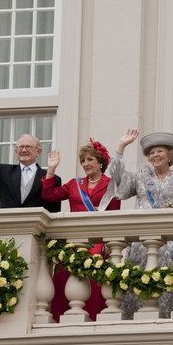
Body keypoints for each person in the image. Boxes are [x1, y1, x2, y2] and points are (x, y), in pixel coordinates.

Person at [99, 130, 173, 319]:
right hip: (141, 245)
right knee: (138, 289)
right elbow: (117, 177)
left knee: (167, 287)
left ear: (170, 154)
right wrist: (121, 147)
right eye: (151, 152)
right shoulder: (140, 177)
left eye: (159, 151)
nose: (154, 155)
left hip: (169, 245)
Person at [41, 138, 121, 322]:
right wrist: (51, 170)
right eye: (83, 161)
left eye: (90, 160)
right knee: (65, 278)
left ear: (101, 162)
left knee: (93, 280)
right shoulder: (74, 184)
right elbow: (48, 195)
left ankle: (92, 319)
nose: (85, 164)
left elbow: (114, 215)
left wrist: (109, 241)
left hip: (97, 241)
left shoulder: (110, 185)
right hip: (72, 241)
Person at [0, 111, 61, 213]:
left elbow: (54, 212)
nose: (24, 150)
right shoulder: (3, 172)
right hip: (7, 227)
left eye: (28, 147)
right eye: (20, 147)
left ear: (38, 152)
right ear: (16, 151)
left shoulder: (52, 179)